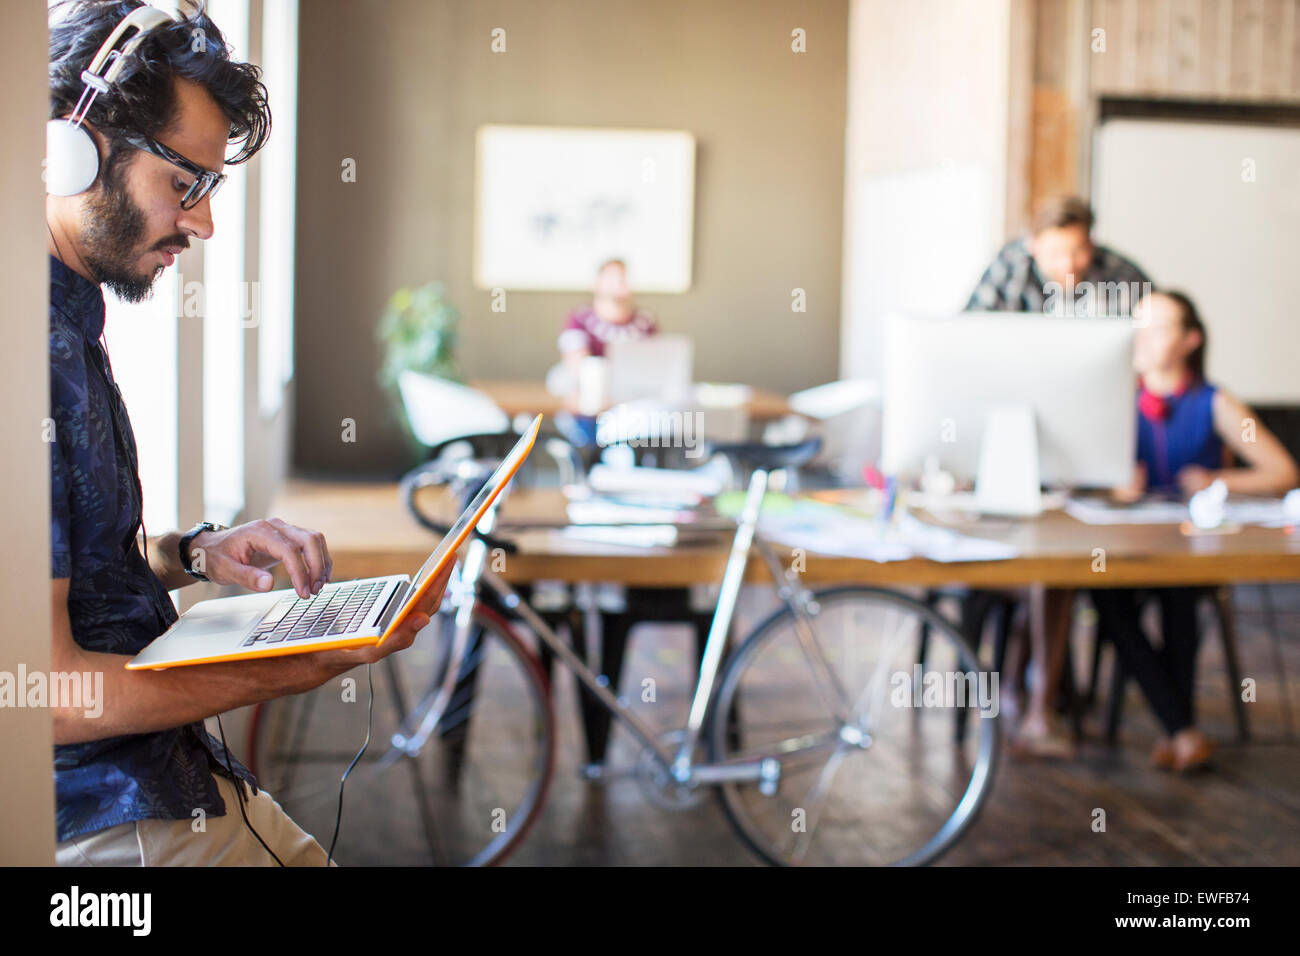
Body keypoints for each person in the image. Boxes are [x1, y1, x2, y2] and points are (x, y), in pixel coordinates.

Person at [46, 1, 449, 866]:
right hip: (99, 816)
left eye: (210, 189)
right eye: (182, 182)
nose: (202, 221)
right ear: (74, 148)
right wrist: (293, 666)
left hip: (150, 779)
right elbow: (41, 693)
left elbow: (68, 567)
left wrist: (192, 553)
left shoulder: (63, 322)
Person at [1092, 291, 1298, 771]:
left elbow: (1282, 471)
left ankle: (1178, 731)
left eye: (1158, 328)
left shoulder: (1214, 403)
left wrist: (1217, 480)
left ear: (1190, 340)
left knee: (1179, 592)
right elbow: (1073, 479)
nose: (1141, 338)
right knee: (1105, 594)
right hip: (1122, 546)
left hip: (1188, 546)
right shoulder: (1113, 399)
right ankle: (1181, 729)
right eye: (1137, 326)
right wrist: (1113, 484)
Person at [967, 195, 1152, 317]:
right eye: (1055, 254)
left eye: (1078, 251)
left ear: (1092, 245)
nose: (1067, 264)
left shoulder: (1122, 276)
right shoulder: (1009, 267)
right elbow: (972, 329)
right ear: (1033, 246)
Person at [554, 258, 657, 449]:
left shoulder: (645, 322)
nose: (619, 284)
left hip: (633, 407)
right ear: (597, 283)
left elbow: (656, 367)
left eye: (623, 279)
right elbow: (576, 363)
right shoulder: (580, 319)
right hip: (591, 407)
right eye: (612, 279)